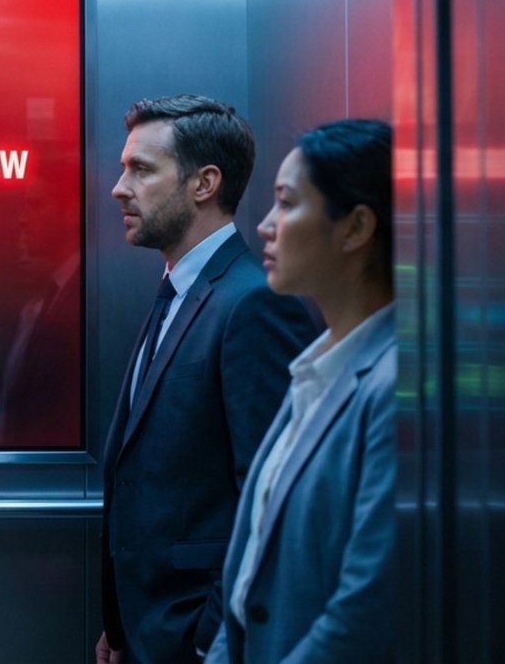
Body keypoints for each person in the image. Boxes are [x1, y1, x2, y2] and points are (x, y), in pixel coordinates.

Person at [97, 95, 317, 664]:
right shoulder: (181, 291)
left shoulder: (253, 303)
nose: (119, 188)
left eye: (141, 170)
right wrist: (122, 627)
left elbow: (269, 496)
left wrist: (206, 639)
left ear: (204, 183)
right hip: (147, 631)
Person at [206, 119, 396, 663]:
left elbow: (365, 607)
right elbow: (247, 583)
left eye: (287, 204)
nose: (265, 225)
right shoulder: (314, 369)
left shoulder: (391, 390)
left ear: (355, 227)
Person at [0, 163, 83, 446]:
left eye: (35, 205)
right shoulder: (55, 294)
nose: (22, 220)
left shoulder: (82, 298)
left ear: (71, 214)